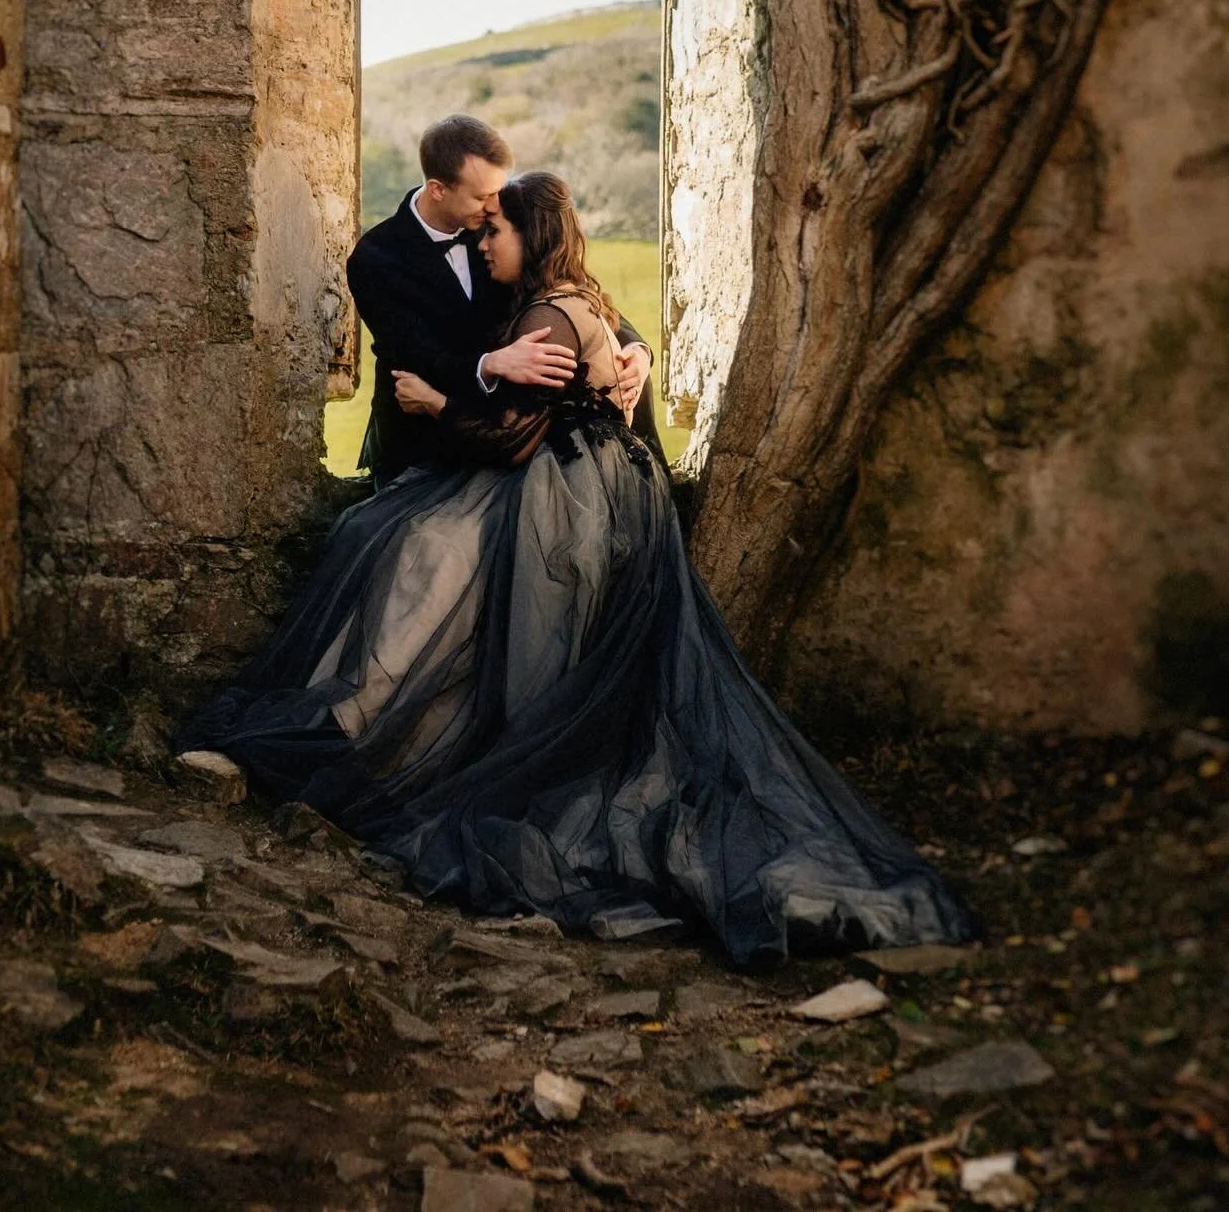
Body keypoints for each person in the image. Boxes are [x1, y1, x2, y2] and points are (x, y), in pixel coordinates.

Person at [177, 171, 973, 967]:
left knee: (430, 550)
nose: (484, 243)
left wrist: (442, 404)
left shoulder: (550, 313)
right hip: (574, 477)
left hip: (571, 491)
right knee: (401, 539)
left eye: (497, 233)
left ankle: (380, 725)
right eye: (481, 229)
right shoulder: (442, 273)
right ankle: (369, 712)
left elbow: (515, 437)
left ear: (533, 237)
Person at [346, 113, 660, 487]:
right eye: (482, 196)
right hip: (423, 440)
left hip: (505, 429)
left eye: (497, 189)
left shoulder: (494, 230)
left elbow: (563, 285)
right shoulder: (374, 259)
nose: (494, 203)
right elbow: (417, 358)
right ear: (437, 189)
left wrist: (636, 348)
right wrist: (491, 363)